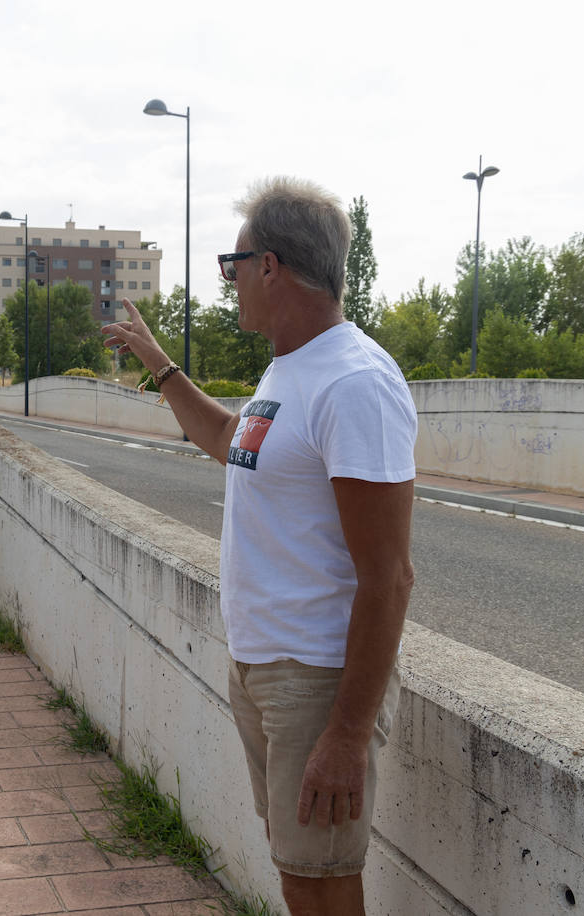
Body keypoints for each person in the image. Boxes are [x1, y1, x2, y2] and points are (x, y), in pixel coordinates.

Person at [102, 177, 417, 916]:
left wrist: (345, 733)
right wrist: (159, 363)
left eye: (232, 264)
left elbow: (390, 578)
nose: (230, 281)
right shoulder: (289, 368)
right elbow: (225, 439)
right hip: (265, 668)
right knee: (296, 868)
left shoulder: (354, 382)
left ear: (270, 266)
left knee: (322, 880)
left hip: (316, 677)